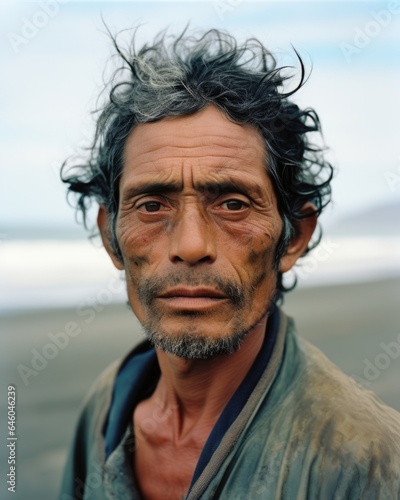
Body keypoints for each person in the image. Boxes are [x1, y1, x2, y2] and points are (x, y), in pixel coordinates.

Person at [60, 28, 400, 500]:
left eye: (234, 204)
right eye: (152, 205)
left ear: (293, 236)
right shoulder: (105, 409)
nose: (192, 245)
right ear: (109, 236)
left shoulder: (368, 461)